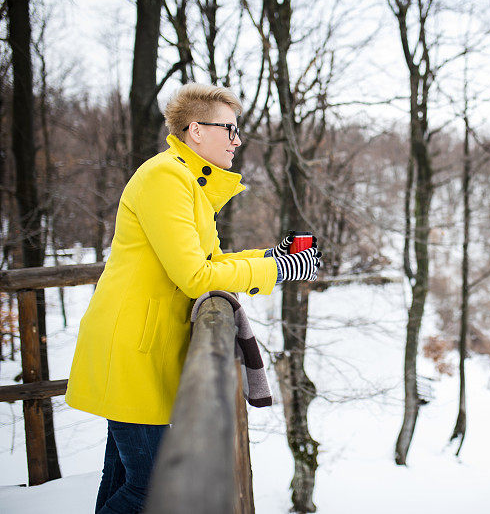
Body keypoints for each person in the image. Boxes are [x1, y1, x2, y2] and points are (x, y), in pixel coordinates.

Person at [65, 83, 322, 514]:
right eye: (230, 130)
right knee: (148, 489)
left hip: (147, 350)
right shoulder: (166, 177)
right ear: (196, 130)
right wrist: (278, 271)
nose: (237, 141)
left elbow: (213, 259)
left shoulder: (188, 183)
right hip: (133, 350)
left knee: (124, 481)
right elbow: (196, 275)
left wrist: (270, 256)